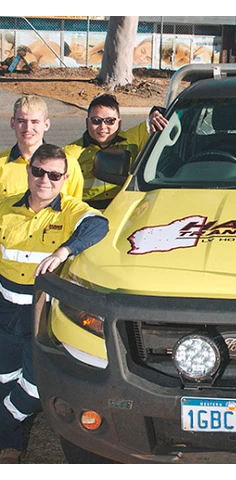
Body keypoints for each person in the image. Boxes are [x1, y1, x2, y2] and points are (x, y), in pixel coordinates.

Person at [0, 144, 109, 464]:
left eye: (54, 175)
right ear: (28, 171)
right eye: (38, 171)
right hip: (5, 312)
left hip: (41, 316)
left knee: (35, 388)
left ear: (64, 179)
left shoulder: (72, 210)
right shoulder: (5, 207)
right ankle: (10, 446)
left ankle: (3, 424)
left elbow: (99, 225)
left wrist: (64, 251)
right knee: (4, 380)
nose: (44, 180)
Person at [63, 93, 167, 207]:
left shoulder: (133, 138)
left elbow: (163, 116)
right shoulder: (69, 154)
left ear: (119, 123)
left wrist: (155, 113)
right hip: (86, 209)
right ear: (87, 122)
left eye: (109, 121)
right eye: (96, 120)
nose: (102, 127)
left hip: (124, 207)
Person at [0, 95, 83, 200]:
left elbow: (74, 207)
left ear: (46, 125)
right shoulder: (1, 164)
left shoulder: (69, 165)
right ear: (12, 123)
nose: (28, 128)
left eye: (35, 122)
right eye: (21, 121)